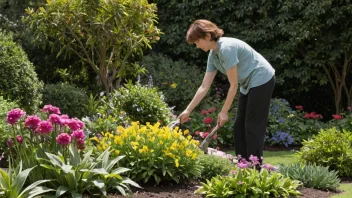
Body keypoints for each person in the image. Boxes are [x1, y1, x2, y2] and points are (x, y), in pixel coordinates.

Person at [178, 19, 275, 164]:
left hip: (262, 78)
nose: (197, 46)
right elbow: (204, 87)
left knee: (252, 125)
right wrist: (188, 110)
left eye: (197, 42)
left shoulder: (226, 49)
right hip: (247, 83)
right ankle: (243, 165)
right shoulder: (213, 55)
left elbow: (233, 85)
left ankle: (256, 168)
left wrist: (224, 111)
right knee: (239, 126)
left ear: (207, 36)